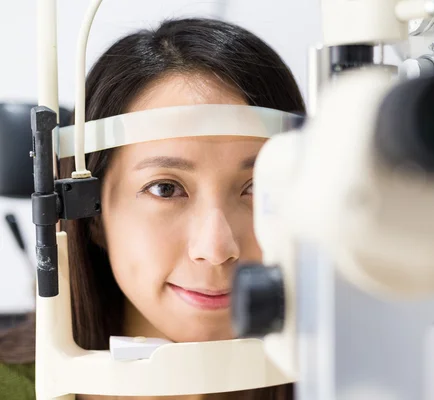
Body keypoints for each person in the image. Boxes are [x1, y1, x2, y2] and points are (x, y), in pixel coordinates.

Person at [0, 17, 305, 400]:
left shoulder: (348, 379)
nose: (215, 248)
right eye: (165, 188)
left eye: (257, 186)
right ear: (91, 214)